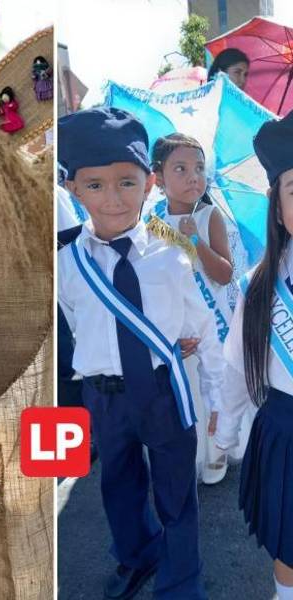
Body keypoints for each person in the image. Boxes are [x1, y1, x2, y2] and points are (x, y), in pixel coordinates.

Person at [58, 107, 223, 599]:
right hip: (104, 394)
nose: (113, 198)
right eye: (95, 185)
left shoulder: (171, 248)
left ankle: (181, 580)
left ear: (149, 183)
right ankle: (138, 556)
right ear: (72, 188)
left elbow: (201, 323)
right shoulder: (66, 260)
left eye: (127, 183)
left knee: (177, 493)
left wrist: (215, 393)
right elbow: (74, 322)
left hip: (163, 389)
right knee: (119, 487)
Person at [214, 110, 293, 600]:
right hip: (287, 432)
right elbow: (238, 369)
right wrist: (223, 434)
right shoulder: (260, 286)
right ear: (278, 207)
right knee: (290, 544)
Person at [148, 133, 235, 484]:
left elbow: (224, 274)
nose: (192, 176)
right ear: (158, 177)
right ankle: (194, 452)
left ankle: (219, 450)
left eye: (198, 168)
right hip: (176, 322)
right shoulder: (151, 223)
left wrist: (194, 240)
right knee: (187, 390)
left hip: (213, 319)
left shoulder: (209, 216)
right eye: (180, 168)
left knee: (217, 380)